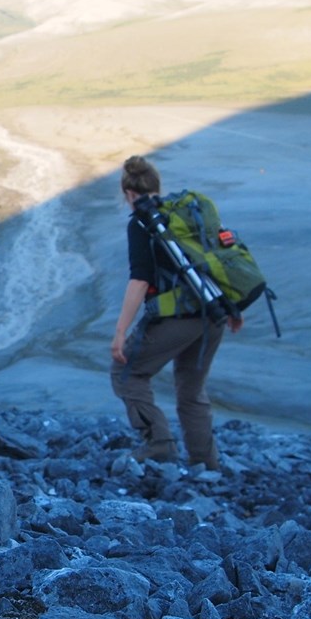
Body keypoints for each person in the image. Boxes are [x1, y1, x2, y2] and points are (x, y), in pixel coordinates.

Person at [109, 155, 241, 469]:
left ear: (129, 194)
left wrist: (120, 332)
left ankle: (158, 444)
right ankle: (205, 464)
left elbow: (140, 280)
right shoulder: (188, 214)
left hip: (177, 319)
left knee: (126, 374)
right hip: (213, 313)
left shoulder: (143, 222)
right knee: (191, 389)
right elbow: (220, 259)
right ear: (157, 185)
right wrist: (233, 307)